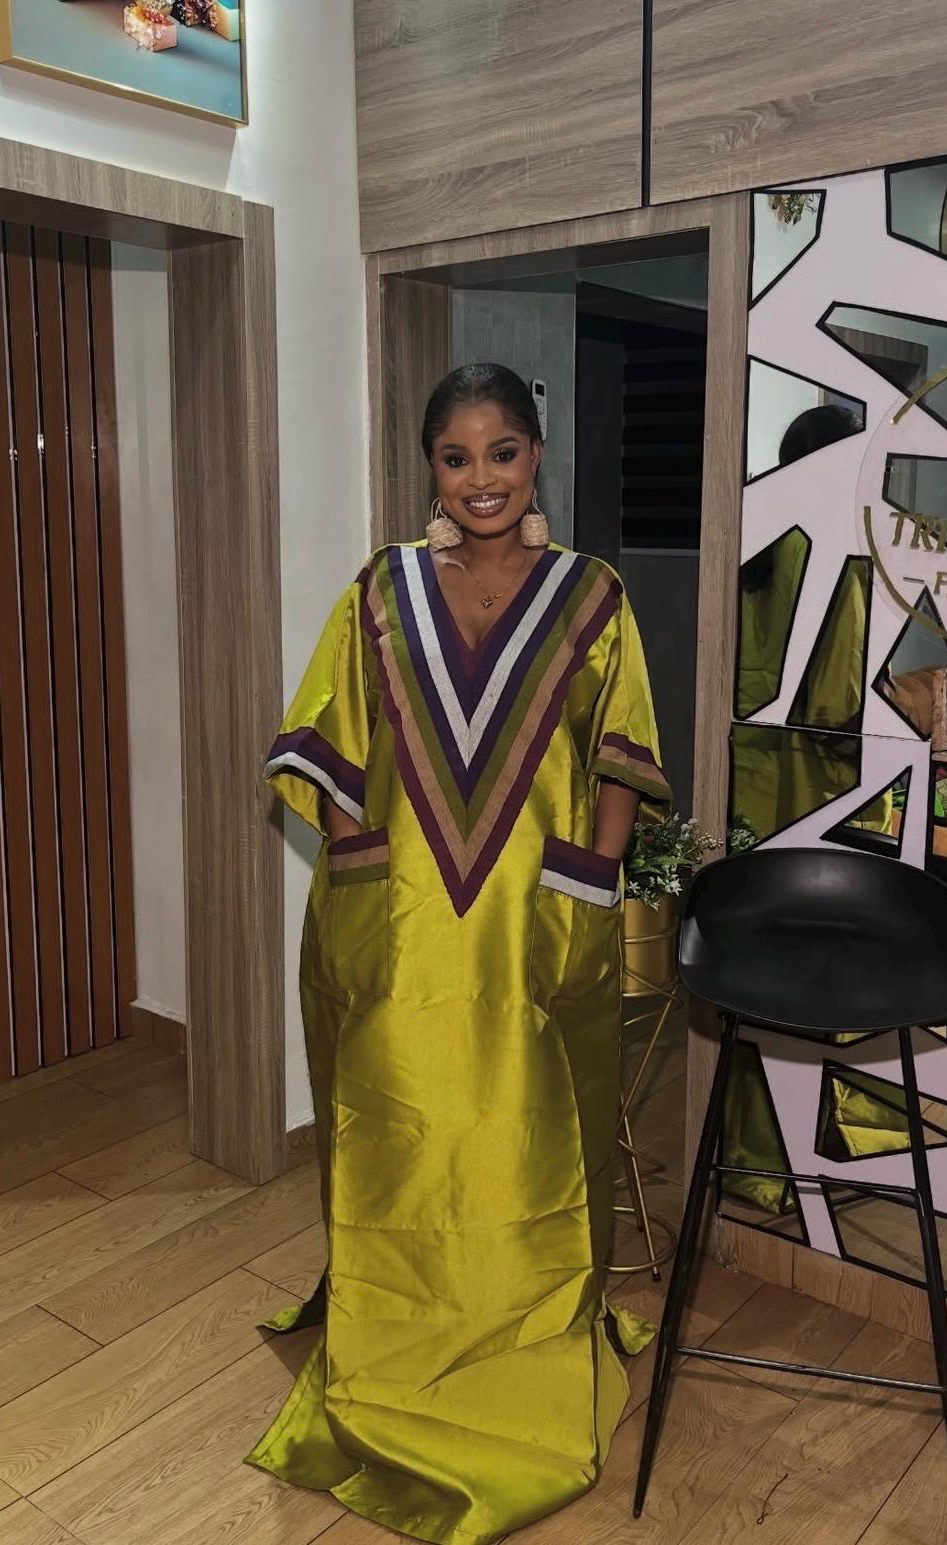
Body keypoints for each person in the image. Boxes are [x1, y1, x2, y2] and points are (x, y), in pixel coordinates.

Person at [246, 363, 671, 1544]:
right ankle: (387, 1356)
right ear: (428, 467)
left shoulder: (591, 596)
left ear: (535, 456)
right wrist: (360, 863)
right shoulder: (378, 589)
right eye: (454, 456)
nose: (480, 478)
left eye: (501, 452)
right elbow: (326, 742)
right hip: (395, 926)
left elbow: (620, 754)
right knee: (396, 1138)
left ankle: (524, 1359)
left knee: (527, 1142)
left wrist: (589, 880)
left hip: (535, 920)